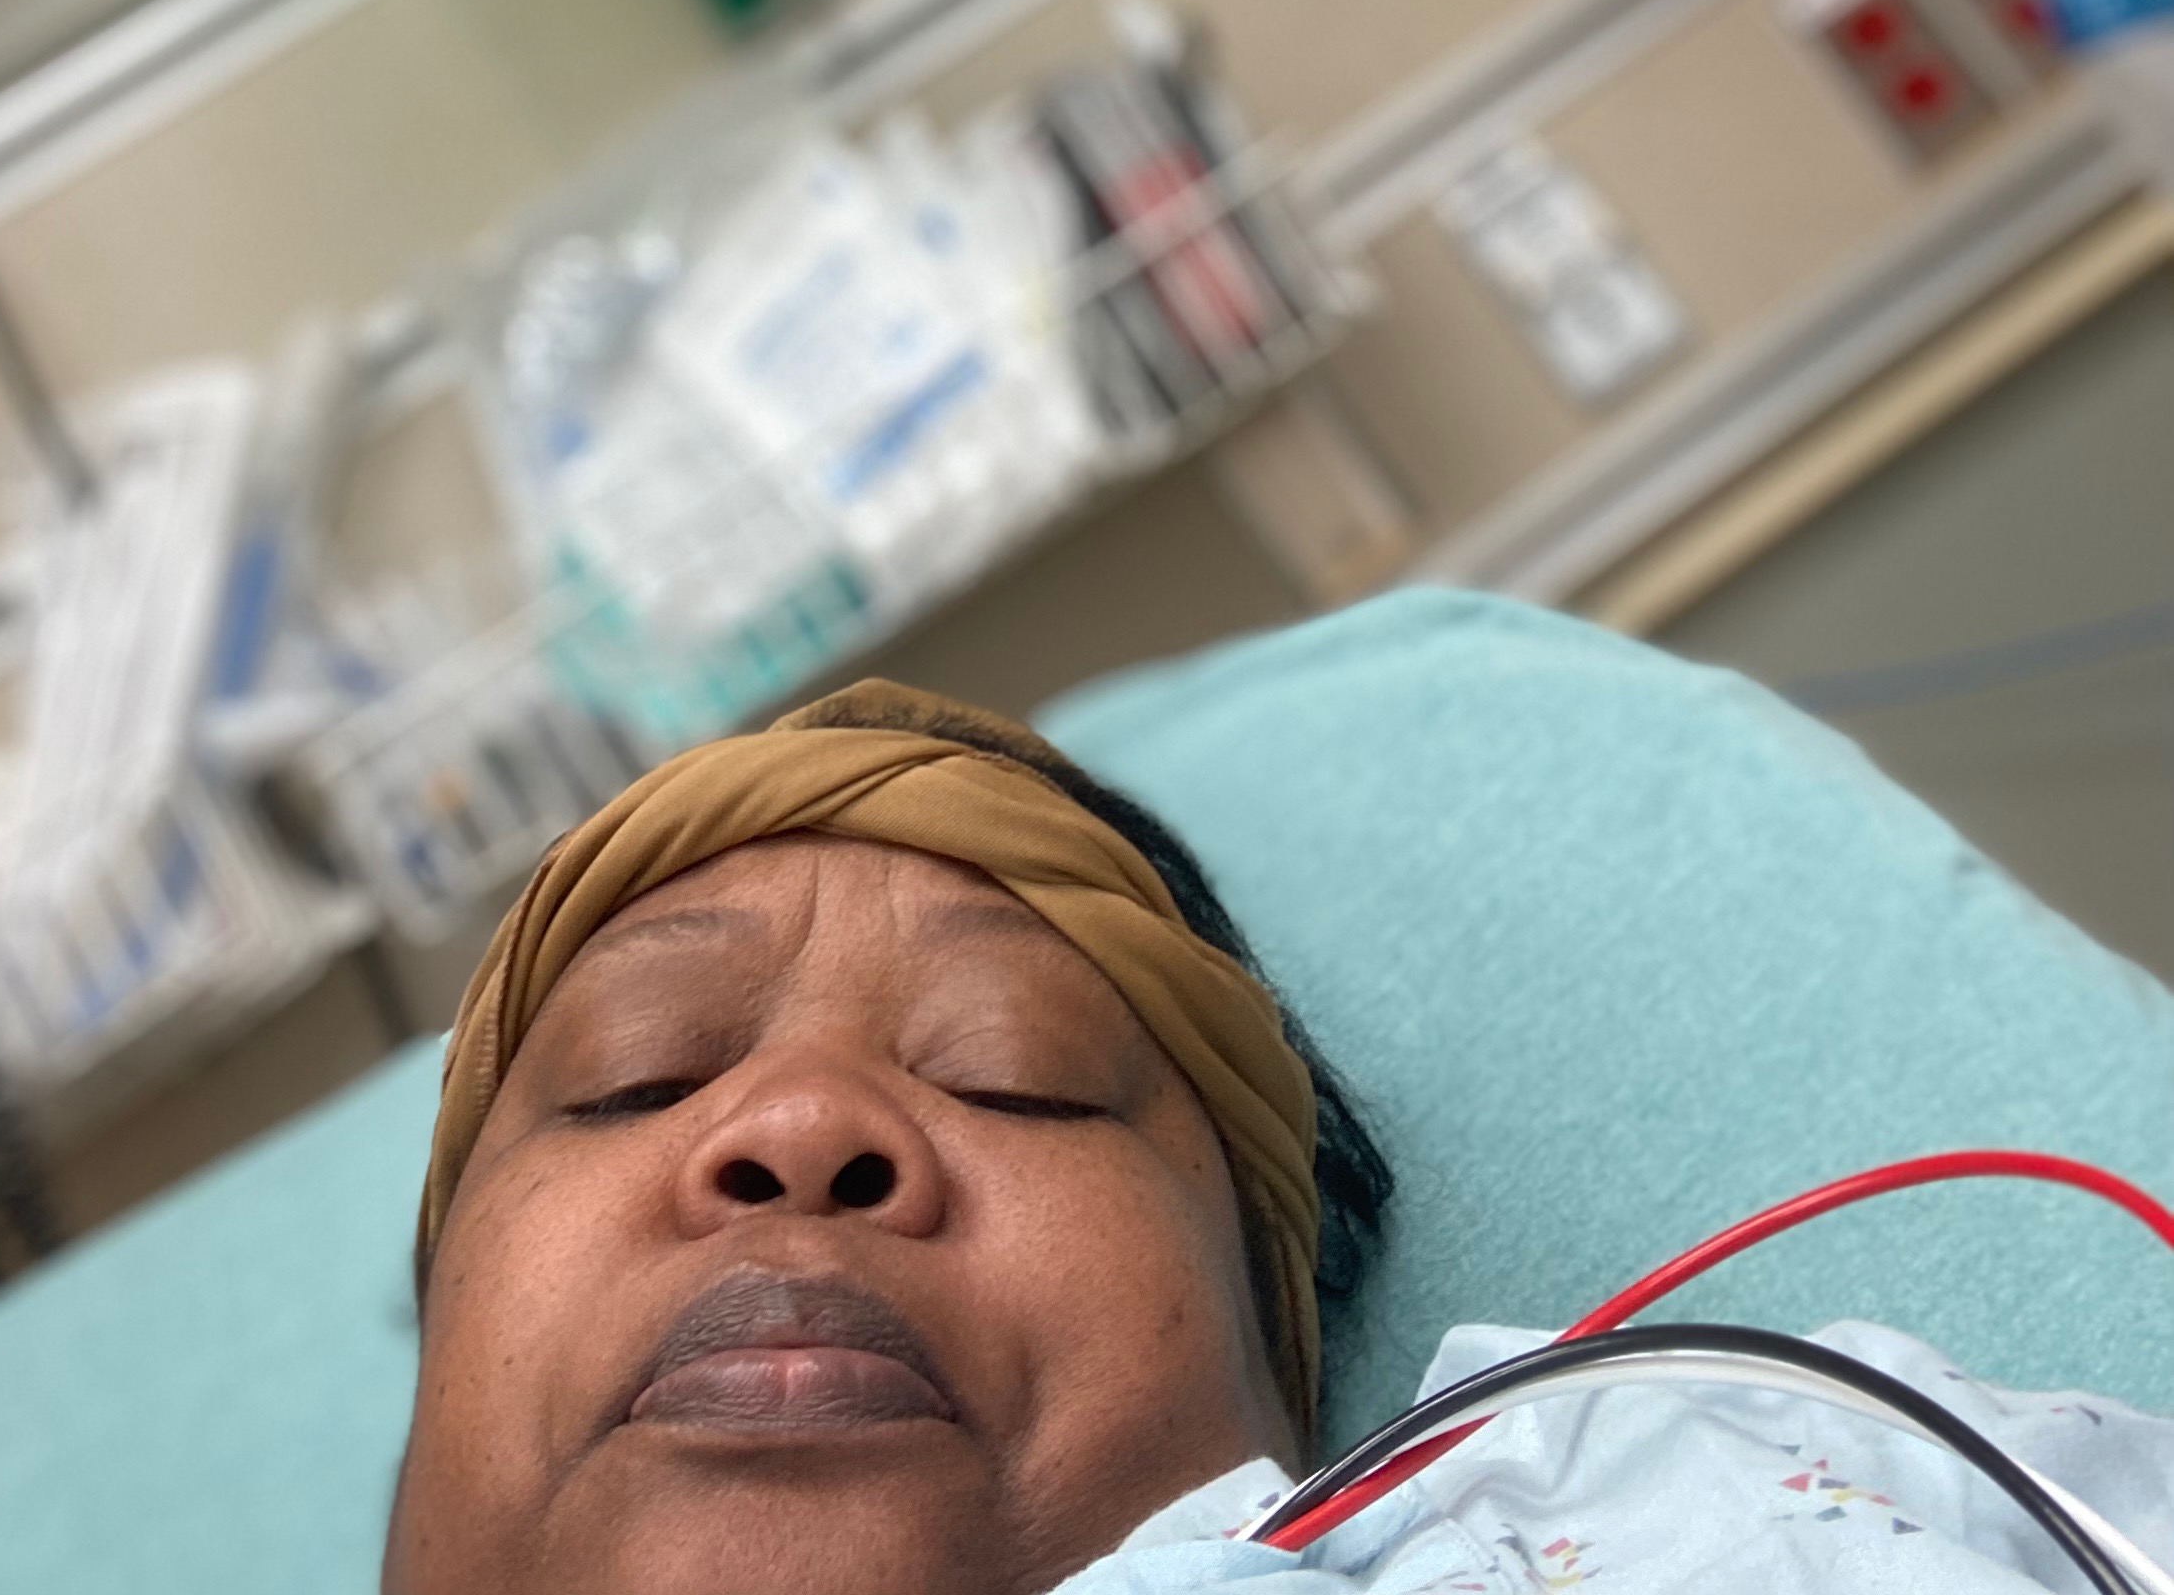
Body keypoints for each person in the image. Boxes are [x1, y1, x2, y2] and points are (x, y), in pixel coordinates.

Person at [389, 680, 2174, 1595]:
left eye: (1015, 1072)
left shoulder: (1732, 1484)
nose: (799, 1124)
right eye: (632, 1076)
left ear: (1279, 1357)